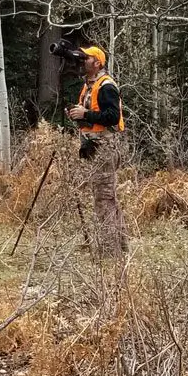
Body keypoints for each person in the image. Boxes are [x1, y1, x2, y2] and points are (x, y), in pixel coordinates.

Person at [66, 45, 128, 258]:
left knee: (103, 199)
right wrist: (78, 115)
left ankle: (110, 253)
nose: (82, 60)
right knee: (107, 198)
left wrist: (87, 114)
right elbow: (93, 116)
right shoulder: (89, 86)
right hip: (95, 146)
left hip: (105, 148)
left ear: (97, 63)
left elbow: (112, 117)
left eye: (87, 57)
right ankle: (120, 246)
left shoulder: (106, 86)